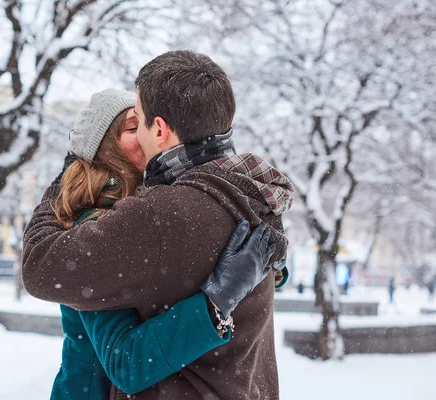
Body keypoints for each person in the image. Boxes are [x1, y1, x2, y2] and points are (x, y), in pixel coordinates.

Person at [23, 50, 294, 399]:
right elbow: (127, 361)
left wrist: (269, 272)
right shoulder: (113, 220)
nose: (139, 137)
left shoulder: (169, 207)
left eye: (140, 123)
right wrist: (216, 303)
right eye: (129, 128)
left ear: (160, 129)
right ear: (103, 151)